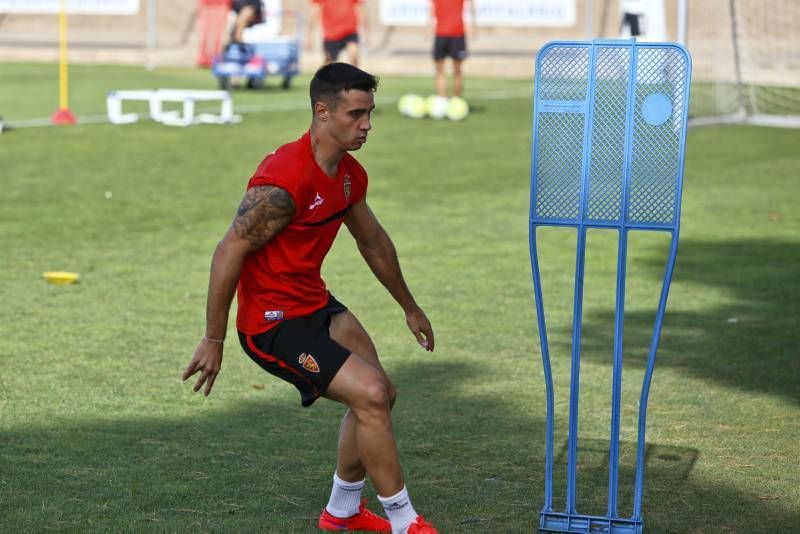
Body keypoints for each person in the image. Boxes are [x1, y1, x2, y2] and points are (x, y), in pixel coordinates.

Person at [181, 62, 439, 534]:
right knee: (372, 395)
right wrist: (213, 339)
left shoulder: (347, 175)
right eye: (356, 114)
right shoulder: (282, 182)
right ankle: (406, 523)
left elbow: (373, 241)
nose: (367, 125)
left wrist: (409, 305)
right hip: (270, 324)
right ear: (322, 112)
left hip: (315, 305)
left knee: (380, 395)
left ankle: (341, 512)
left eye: (369, 113)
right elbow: (227, 251)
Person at [430, 0, 477, 98]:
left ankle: (456, 100)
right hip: (440, 33)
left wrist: (474, 23)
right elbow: (432, 8)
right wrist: (429, 24)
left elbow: (471, 4)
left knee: (457, 70)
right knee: (439, 69)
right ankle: (442, 99)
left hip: (457, 33)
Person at [305, 0, 366, 66]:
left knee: (354, 53)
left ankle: (353, 75)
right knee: (328, 66)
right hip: (331, 34)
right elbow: (314, 12)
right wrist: (309, 36)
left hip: (349, 31)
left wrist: (365, 30)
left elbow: (360, 8)